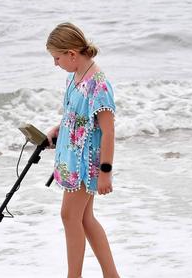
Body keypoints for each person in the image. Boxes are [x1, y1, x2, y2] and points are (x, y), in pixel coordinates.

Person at [45, 22, 120, 278]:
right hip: (71, 157)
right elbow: (76, 116)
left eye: (57, 58)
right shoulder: (74, 76)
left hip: (87, 163)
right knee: (85, 219)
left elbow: (108, 131)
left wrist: (105, 173)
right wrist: (58, 128)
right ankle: (112, 275)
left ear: (72, 54)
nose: (56, 64)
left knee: (68, 215)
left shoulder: (99, 86)